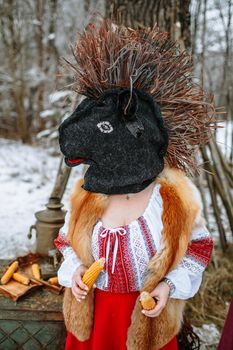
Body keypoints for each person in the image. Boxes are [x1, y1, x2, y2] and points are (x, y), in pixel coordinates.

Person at [54, 18, 215, 350]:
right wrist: (74, 275)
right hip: (92, 322)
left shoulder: (173, 198)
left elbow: (198, 249)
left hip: (146, 323)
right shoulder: (87, 195)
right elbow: (67, 243)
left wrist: (169, 286)